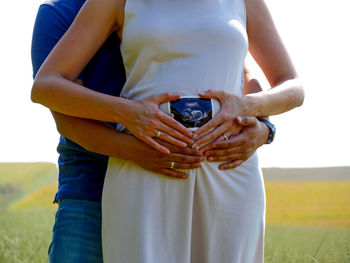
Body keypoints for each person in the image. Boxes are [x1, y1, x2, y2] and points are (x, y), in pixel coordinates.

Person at [31, 0, 273, 262]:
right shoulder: (58, 13)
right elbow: (66, 119)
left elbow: (239, 77)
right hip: (91, 188)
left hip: (190, 176)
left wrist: (265, 128)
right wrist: (133, 148)